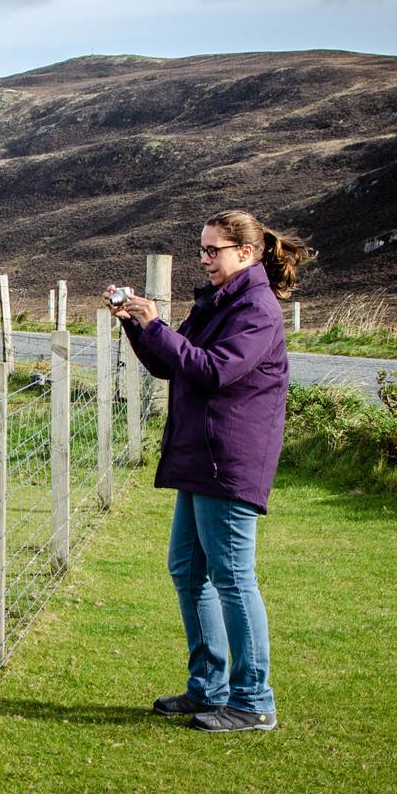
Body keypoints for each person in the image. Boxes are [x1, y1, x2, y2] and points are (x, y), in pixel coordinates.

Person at [105, 209, 312, 733]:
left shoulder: (258, 309)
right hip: (200, 455)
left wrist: (157, 325)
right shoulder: (218, 300)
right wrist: (137, 325)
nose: (204, 258)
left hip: (229, 458)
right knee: (189, 571)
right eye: (202, 249)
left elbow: (213, 370)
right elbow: (169, 363)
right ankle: (209, 688)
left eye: (213, 250)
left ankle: (253, 699)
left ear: (246, 253)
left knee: (234, 579)